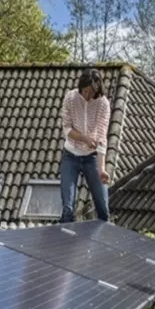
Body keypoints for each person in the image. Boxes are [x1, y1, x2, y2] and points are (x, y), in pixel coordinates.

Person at [59, 68, 111, 223]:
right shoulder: (71, 98)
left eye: (91, 92)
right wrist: (85, 139)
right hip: (70, 156)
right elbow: (67, 129)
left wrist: (101, 169)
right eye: (85, 91)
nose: (87, 96)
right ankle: (63, 243)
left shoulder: (103, 104)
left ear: (97, 90)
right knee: (68, 208)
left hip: (92, 158)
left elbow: (102, 137)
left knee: (103, 209)